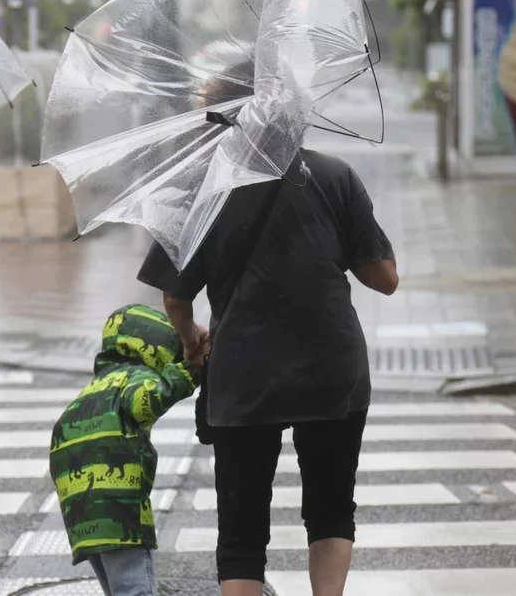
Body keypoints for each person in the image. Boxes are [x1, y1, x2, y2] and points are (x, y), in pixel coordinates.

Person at [138, 143, 398, 595]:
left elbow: (175, 298)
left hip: (244, 370)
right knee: (332, 507)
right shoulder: (334, 175)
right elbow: (385, 279)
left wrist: (190, 338)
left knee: (242, 528)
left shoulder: (202, 186)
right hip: (331, 363)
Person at [49, 303, 207, 596]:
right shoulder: (133, 378)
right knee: (134, 589)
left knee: (117, 588)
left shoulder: (91, 391)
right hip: (118, 509)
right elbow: (146, 401)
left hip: (80, 512)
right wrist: (190, 372)